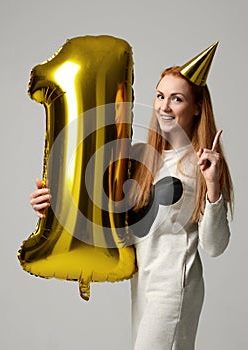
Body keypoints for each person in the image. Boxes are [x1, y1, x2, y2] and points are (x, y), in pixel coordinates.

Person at [29, 42, 233, 350]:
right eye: (160, 95)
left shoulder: (200, 164)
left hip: (175, 288)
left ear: (197, 107)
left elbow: (215, 246)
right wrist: (51, 207)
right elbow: (109, 217)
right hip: (144, 286)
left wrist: (212, 186)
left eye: (176, 99)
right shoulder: (141, 157)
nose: (164, 106)